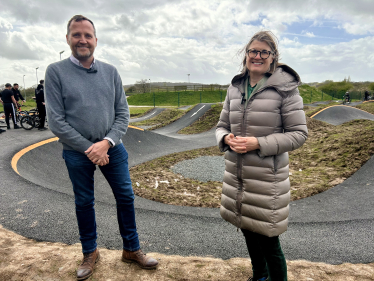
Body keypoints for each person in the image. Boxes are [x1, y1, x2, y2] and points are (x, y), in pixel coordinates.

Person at [45, 15, 158, 280]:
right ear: (68, 39)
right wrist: (90, 148)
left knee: (126, 197)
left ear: (95, 40)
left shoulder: (111, 72)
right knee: (84, 202)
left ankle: (131, 249)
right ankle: (90, 252)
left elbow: (123, 114)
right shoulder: (55, 72)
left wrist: (106, 143)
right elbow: (56, 122)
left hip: (113, 148)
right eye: (76, 35)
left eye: (87, 35)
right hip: (76, 151)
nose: (82, 40)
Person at [216, 31, 308, 281]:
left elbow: (299, 134)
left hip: (268, 179)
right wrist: (225, 138)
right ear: (245, 55)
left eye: (263, 52)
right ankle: (259, 277)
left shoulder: (285, 90)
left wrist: (258, 143)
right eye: (252, 51)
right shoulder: (234, 88)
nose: (257, 56)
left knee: (268, 239)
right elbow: (221, 126)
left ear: (272, 57)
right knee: (247, 230)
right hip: (238, 177)